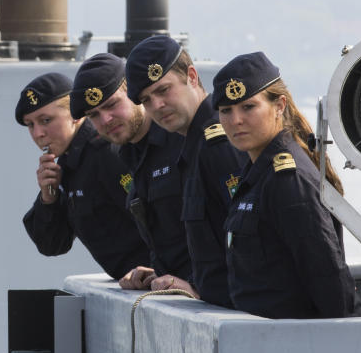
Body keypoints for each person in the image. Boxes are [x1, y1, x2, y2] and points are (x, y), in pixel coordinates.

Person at [213, 52, 359, 319]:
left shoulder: (289, 180)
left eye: (248, 107)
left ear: (279, 106)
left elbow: (328, 277)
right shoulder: (258, 173)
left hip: (293, 345)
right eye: (226, 111)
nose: (235, 121)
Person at [125, 36, 247, 308]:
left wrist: (200, 288)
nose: (156, 105)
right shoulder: (191, 146)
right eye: (146, 100)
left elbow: (249, 243)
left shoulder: (220, 141)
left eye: (163, 90)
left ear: (192, 76)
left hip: (242, 314)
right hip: (219, 307)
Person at [70, 53, 191, 290]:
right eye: (93, 114)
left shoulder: (181, 142)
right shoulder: (130, 155)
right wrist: (158, 272)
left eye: (112, 104)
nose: (105, 119)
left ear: (135, 93)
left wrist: (197, 284)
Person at [17, 72, 150, 280]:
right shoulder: (67, 165)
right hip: (136, 284)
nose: (38, 133)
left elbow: (157, 222)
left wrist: (161, 271)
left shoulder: (106, 153)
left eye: (46, 120)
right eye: (30, 125)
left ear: (75, 115)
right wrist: (48, 199)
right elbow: (52, 244)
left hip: (158, 282)